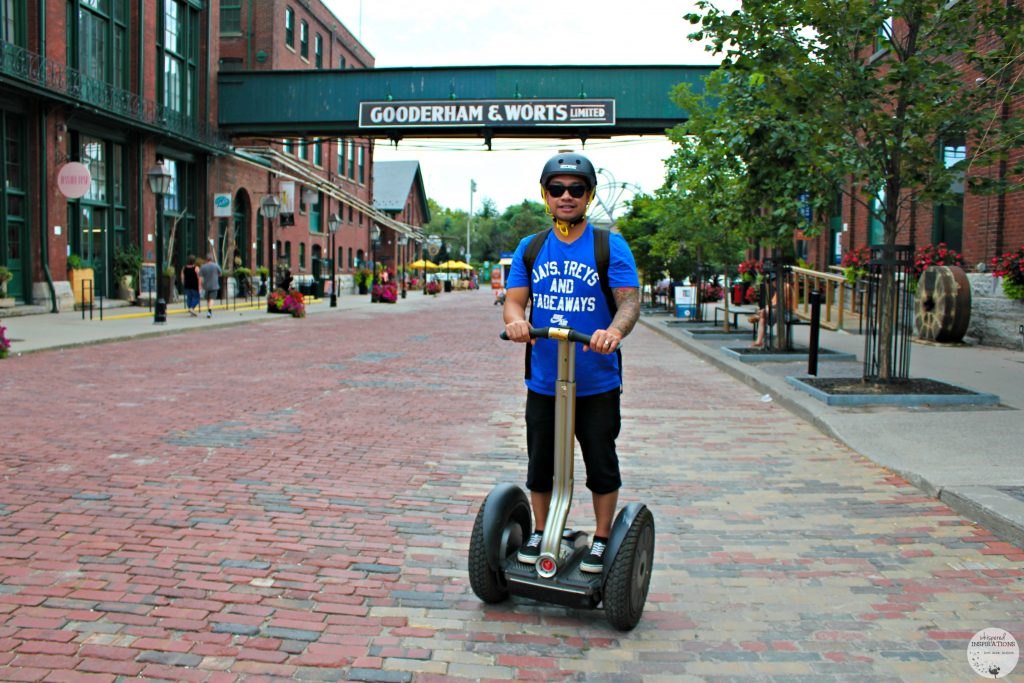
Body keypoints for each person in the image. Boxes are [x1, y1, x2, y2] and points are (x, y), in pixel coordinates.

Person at [503, 152, 640, 574]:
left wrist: (614, 332)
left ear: (589, 195)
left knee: (601, 460)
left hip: (596, 379)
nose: (566, 196)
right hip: (545, 378)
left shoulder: (608, 244)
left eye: (576, 189)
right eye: (557, 189)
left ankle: (600, 538)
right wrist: (516, 323)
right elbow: (513, 302)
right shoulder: (532, 247)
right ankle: (543, 531)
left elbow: (629, 301)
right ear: (545, 195)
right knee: (540, 462)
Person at [199, 252, 221, 318]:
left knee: (208, 299)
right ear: (212, 259)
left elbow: (200, 277)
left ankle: (209, 310)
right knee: (212, 298)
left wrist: (200, 286)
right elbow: (220, 273)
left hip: (206, 285)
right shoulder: (216, 265)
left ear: (206, 259)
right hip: (214, 285)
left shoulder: (203, 267)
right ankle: (209, 311)